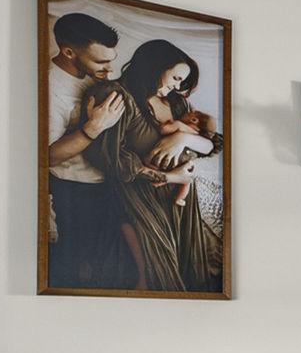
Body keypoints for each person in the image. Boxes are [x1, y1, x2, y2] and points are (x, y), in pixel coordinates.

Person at [87, 39, 222, 293]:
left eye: (182, 81)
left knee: (188, 275)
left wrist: (183, 137)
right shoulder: (117, 97)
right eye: (175, 77)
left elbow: (211, 145)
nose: (178, 86)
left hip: (180, 200)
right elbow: (111, 158)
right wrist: (171, 177)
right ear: (154, 67)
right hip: (139, 194)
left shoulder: (177, 104)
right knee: (159, 276)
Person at [43, 11, 133, 289]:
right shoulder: (50, 89)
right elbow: (46, 157)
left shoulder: (94, 76)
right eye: (101, 61)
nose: (110, 70)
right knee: (77, 269)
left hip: (109, 183)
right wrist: (93, 128)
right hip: (74, 191)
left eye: (111, 60)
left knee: (114, 266)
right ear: (69, 51)